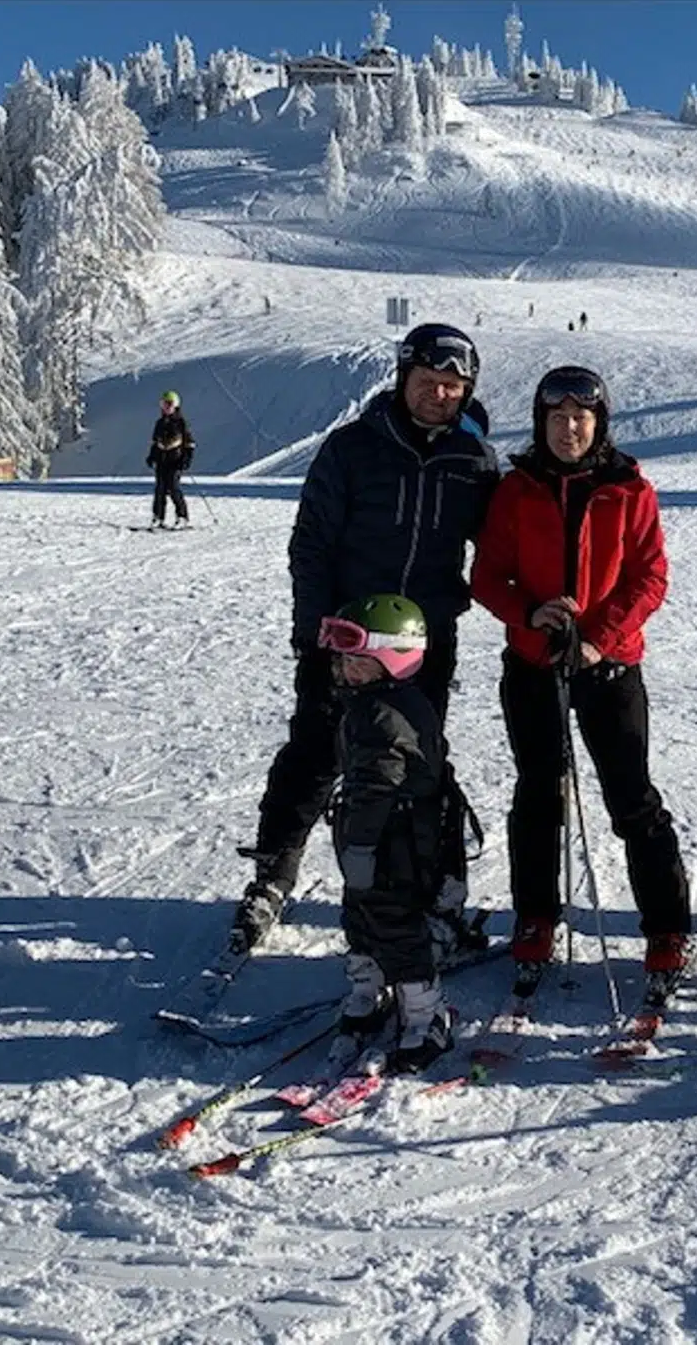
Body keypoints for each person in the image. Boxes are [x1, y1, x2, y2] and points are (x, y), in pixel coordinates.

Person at [233, 323, 499, 952]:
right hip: (346, 637)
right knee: (317, 753)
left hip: (422, 642)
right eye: (428, 382)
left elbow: (502, 549)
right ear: (403, 377)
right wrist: (314, 634)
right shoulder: (352, 449)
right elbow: (312, 545)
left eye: (452, 386)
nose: (439, 395)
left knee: (420, 762)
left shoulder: (474, 463)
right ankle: (273, 874)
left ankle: (436, 887)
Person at [469, 365, 692, 994]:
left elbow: (649, 578)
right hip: (534, 664)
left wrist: (600, 639)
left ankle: (667, 926)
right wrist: (529, 614)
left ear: (600, 422)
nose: (570, 429)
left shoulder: (628, 489)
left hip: (609, 665)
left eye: (581, 418)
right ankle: (537, 916)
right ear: (542, 423)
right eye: (557, 418)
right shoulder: (517, 489)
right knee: (538, 793)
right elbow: (488, 576)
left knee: (631, 798)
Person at [317, 594, 456, 1072]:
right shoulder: (372, 703)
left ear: (391, 661)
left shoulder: (385, 716)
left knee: (395, 923)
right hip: (373, 842)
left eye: (357, 662)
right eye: (343, 661)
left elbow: (377, 785)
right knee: (358, 915)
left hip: (391, 844)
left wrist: (360, 846)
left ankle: (425, 1012)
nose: (345, 671)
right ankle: (368, 984)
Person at [146, 391, 193, 529]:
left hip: (175, 460)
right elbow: (156, 442)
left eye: (169, 404)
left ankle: (182, 516)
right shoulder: (159, 423)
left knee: (173, 487)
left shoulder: (181, 422)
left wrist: (186, 458)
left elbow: (189, 443)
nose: (166, 407)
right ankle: (158, 517)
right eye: (163, 404)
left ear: (175, 406)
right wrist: (151, 456)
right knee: (159, 489)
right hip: (162, 460)